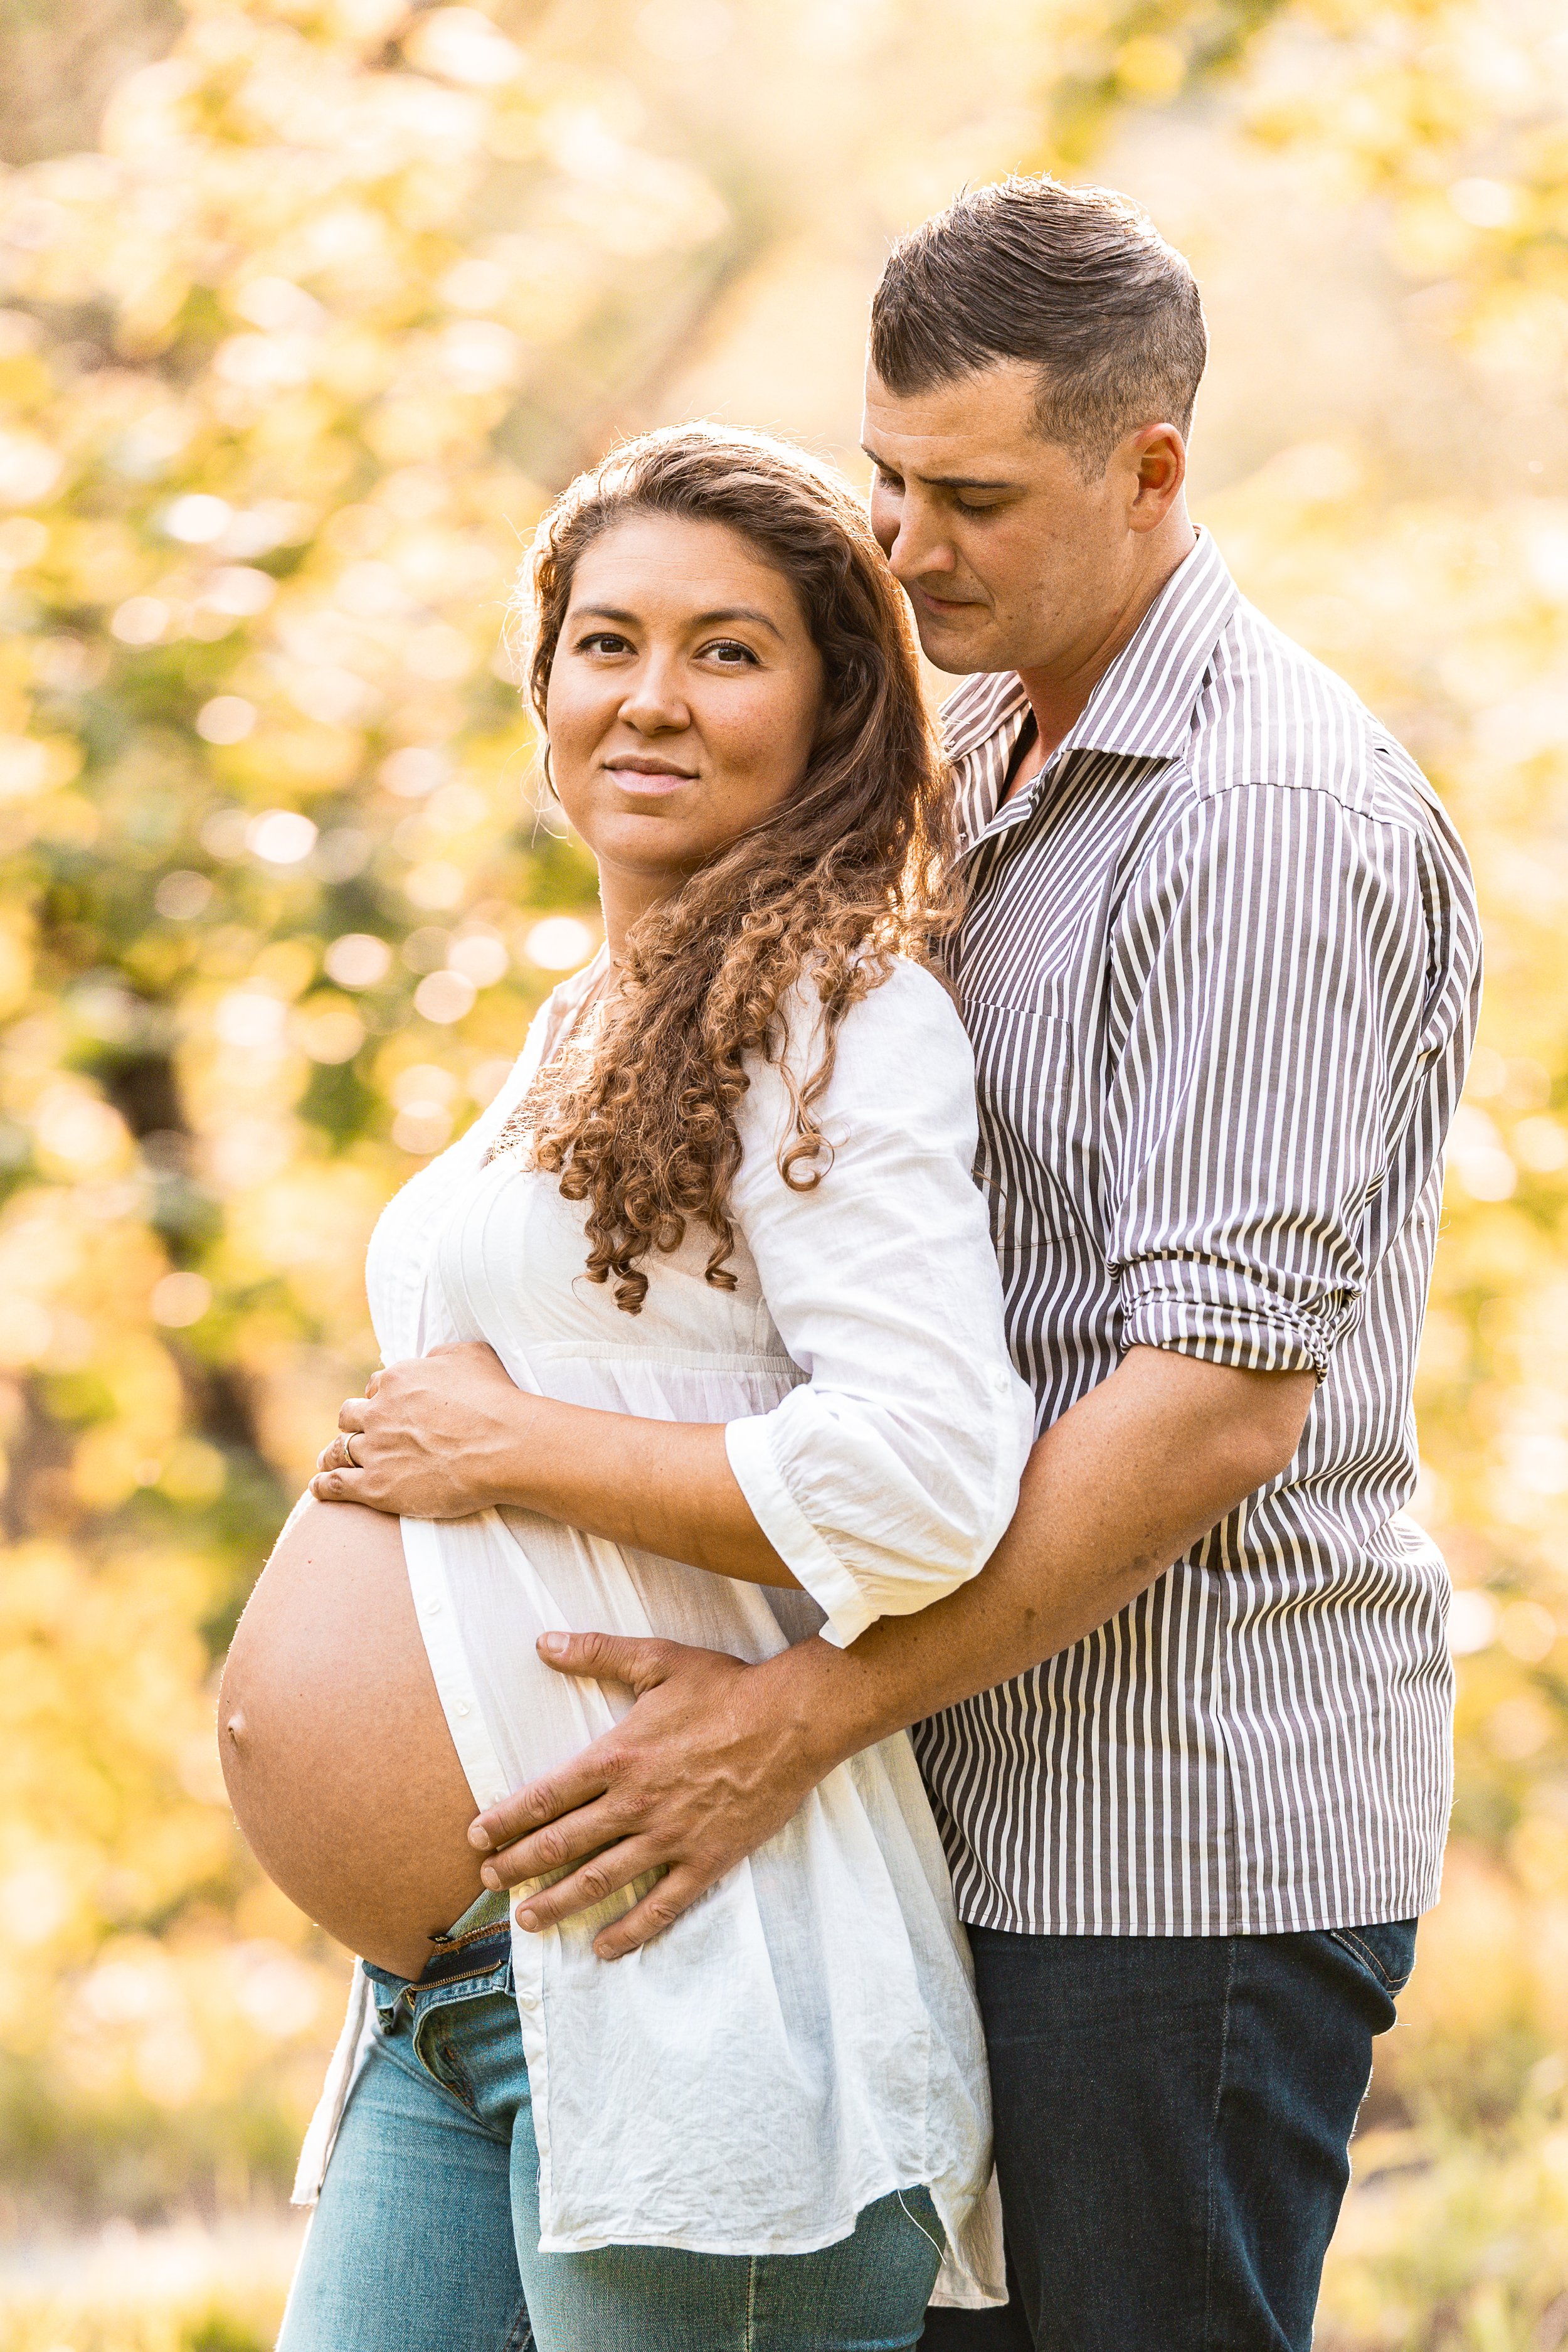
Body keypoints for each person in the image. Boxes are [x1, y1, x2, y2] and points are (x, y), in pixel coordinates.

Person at [342, 179, 1483, 2350]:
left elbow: (1217, 1401)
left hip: (1165, 1835)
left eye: (967, 496)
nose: (901, 541)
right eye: (882, 478)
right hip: (942, 1797)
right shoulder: (973, 754)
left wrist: (795, 1713)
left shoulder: (1265, 817)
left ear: (1151, 472)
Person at [231, 423, 1040, 2351]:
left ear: (837, 706)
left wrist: (517, 1444)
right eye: (606, 643)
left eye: (727, 650)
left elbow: (927, 1473)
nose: (651, 698)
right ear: (544, 688)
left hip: (691, 1980)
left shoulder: (838, 1010)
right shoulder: (587, 1017)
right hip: (450, 1996)